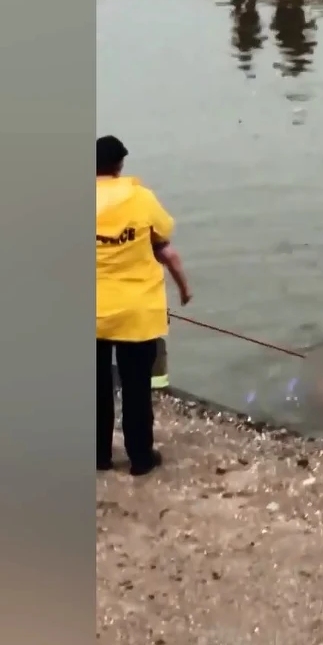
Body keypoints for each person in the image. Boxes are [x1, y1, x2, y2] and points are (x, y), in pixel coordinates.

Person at [96, 135, 192, 475]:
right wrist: (184, 289)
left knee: (94, 384)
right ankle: (139, 458)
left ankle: (99, 455)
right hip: (136, 312)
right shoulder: (141, 198)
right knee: (136, 387)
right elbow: (166, 249)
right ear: (120, 165)